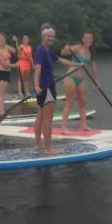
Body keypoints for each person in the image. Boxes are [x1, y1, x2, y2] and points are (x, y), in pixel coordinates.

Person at [33, 26, 83, 154]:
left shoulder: (47, 50)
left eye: (53, 36)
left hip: (44, 87)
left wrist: (78, 64)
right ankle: (49, 149)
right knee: (47, 119)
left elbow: (61, 60)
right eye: (49, 36)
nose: (51, 38)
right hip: (46, 87)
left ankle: (38, 145)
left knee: (40, 116)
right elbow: (37, 67)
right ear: (43, 37)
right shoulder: (41, 50)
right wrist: (37, 85)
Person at [60, 32, 100, 134]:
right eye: (86, 38)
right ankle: (63, 128)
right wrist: (66, 49)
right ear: (83, 39)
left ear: (92, 40)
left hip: (81, 79)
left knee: (83, 101)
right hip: (71, 77)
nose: (88, 40)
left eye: (90, 38)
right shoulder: (77, 47)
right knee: (70, 102)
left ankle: (83, 125)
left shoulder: (91, 51)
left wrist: (96, 79)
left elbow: (93, 66)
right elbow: (63, 53)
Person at [0, 33, 18, 116]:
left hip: (7, 73)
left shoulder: (7, 47)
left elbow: (17, 51)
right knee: (1, 95)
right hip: (1, 73)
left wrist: (16, 41)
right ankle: (3, 113)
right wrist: (15, 65)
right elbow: (4, 64)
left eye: (2, 38)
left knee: (0, 94)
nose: (1, 40)